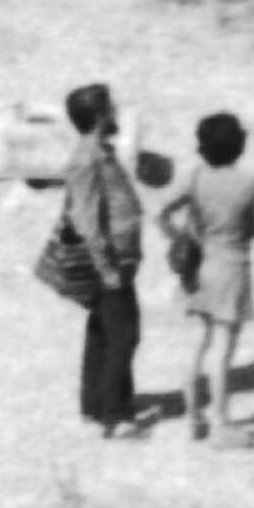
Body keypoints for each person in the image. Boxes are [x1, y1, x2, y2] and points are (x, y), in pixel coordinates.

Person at [53, 80, 147, 439]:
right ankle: (116, 414)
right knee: (124, 335)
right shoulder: (87, 159)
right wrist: (106, 266)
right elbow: (87, 218)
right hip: (110, 261)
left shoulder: (99, 152)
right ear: (96, 116)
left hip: (117, 258)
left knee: (103, 332)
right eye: (109, 108)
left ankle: (94, 403)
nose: (115, 112)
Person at [177, 109, 254, 443]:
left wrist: (181, 237)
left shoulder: (195, 178)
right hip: (231, 266)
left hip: (199, 266)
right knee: (222, 349)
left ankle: (193, 417)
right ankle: (220, 423)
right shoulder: (249, 184)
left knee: (199, 343)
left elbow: (160, 210)